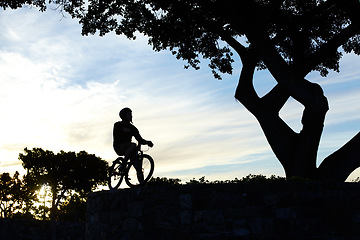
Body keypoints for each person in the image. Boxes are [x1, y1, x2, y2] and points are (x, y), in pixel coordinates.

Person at [113, 108, 153, 180]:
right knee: (133, 145)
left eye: (131, 114)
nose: (131, 116)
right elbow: (121, 130)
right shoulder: (118, 125)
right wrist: (130, 131)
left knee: (138, 166)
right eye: (129, 114)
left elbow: (139, 139)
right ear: (124, 116)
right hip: (119, 147)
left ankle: (141, 184)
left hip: (129, 148)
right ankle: (124, 163)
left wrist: (147, 142)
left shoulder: (133, 128)